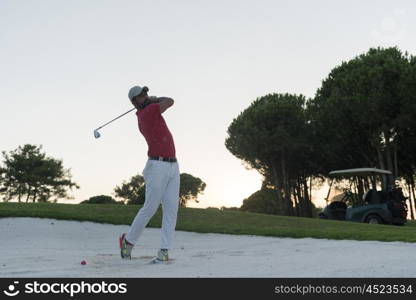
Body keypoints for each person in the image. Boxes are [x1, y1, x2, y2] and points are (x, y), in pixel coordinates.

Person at [119, 85, 180, 262]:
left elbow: (166, 102)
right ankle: (128, 242)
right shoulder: (147, 113)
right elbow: (169, 101)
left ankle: (164, 251)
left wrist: (150, 99)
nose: (145, 96)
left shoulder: (148, 110)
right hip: (157, 166)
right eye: (141, 96)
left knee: (171, 210)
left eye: (145, 93)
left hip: (172, 165)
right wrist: (153, 99)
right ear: (134, 102)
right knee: (150, 207)